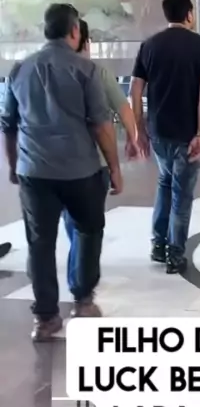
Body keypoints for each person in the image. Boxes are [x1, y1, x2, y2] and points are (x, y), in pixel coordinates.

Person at [0, 4, 123, 341]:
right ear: (75, 31)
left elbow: (8, 125)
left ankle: (45, 318)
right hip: (80, 171)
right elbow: (101, 125)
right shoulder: (86, 70)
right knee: (88, 231)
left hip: (34, 172)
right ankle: (83, 300)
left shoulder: (20, 69)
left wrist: (13, 165)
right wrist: (114, 168)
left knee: (39, 243)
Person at [130, 0, 200, 274]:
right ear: (189, 14)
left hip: (158, 132)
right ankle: (175, 254)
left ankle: (158, 244)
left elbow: (135, 90)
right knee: (182, 193)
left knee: (165, 183)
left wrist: (139, 129)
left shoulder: (149, 45)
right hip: (187, 134)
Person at [63, 18, 138, 296]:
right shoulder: (97, 72)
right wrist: (132, 137)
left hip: (55, 163)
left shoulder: (42, 70)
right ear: (85, 41)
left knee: (72, 221)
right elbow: (122, 108)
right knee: (89, 226)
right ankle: (81, 283)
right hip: (95, 162)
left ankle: (77, 276)